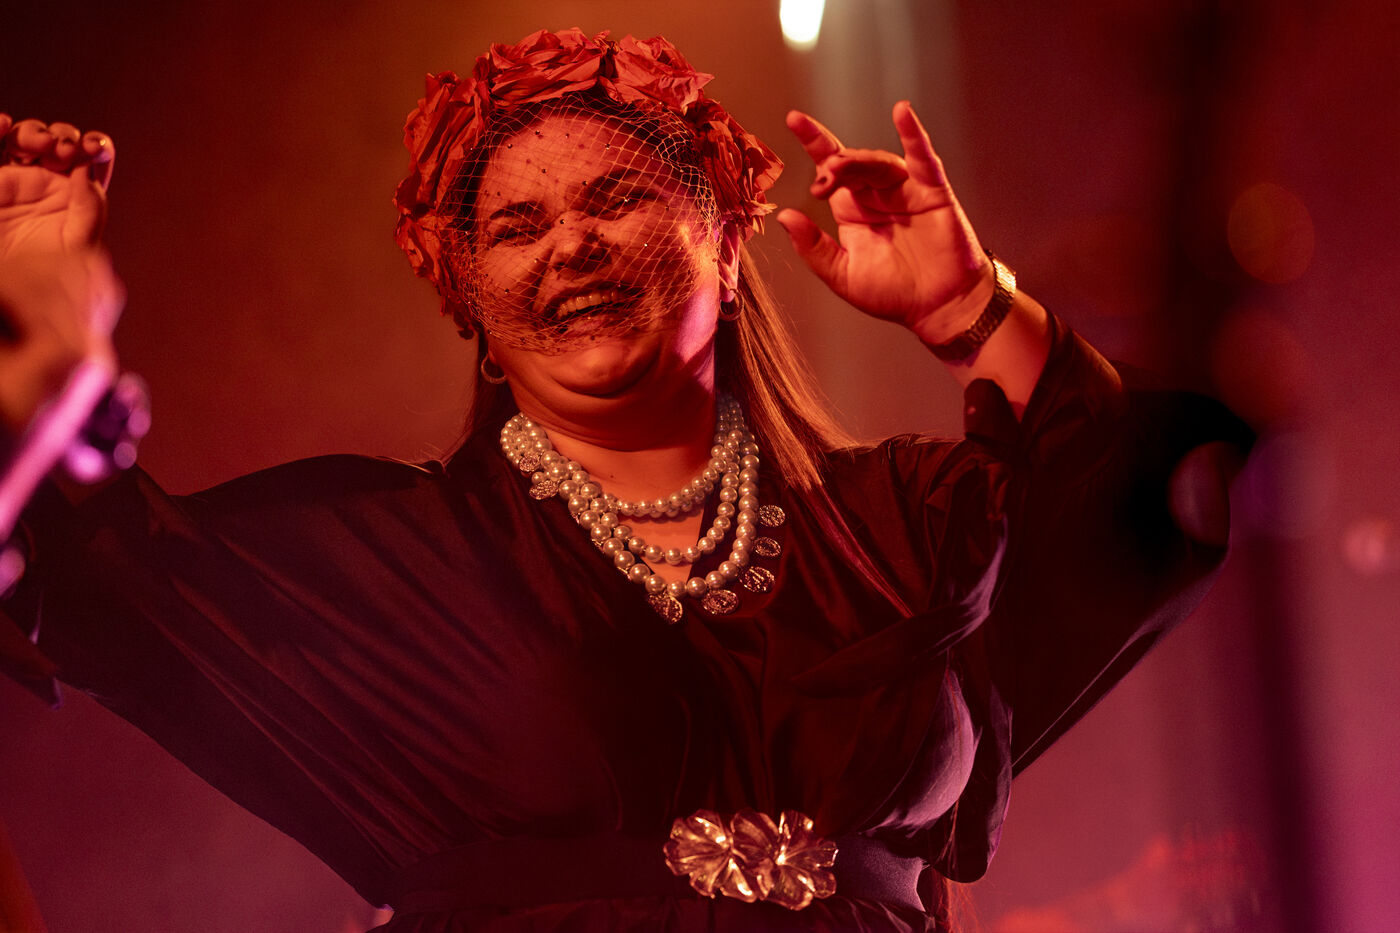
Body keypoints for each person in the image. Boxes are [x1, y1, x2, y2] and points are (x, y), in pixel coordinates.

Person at [0, 28, 1250, 933]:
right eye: (516, 227)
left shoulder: (900, 532)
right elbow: (75, 561)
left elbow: (1158, 499)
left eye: (616, 200)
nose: (572, 246)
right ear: (468, 301)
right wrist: (28, 331)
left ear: (722, 242)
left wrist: (971, 310)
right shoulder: (387, 560)